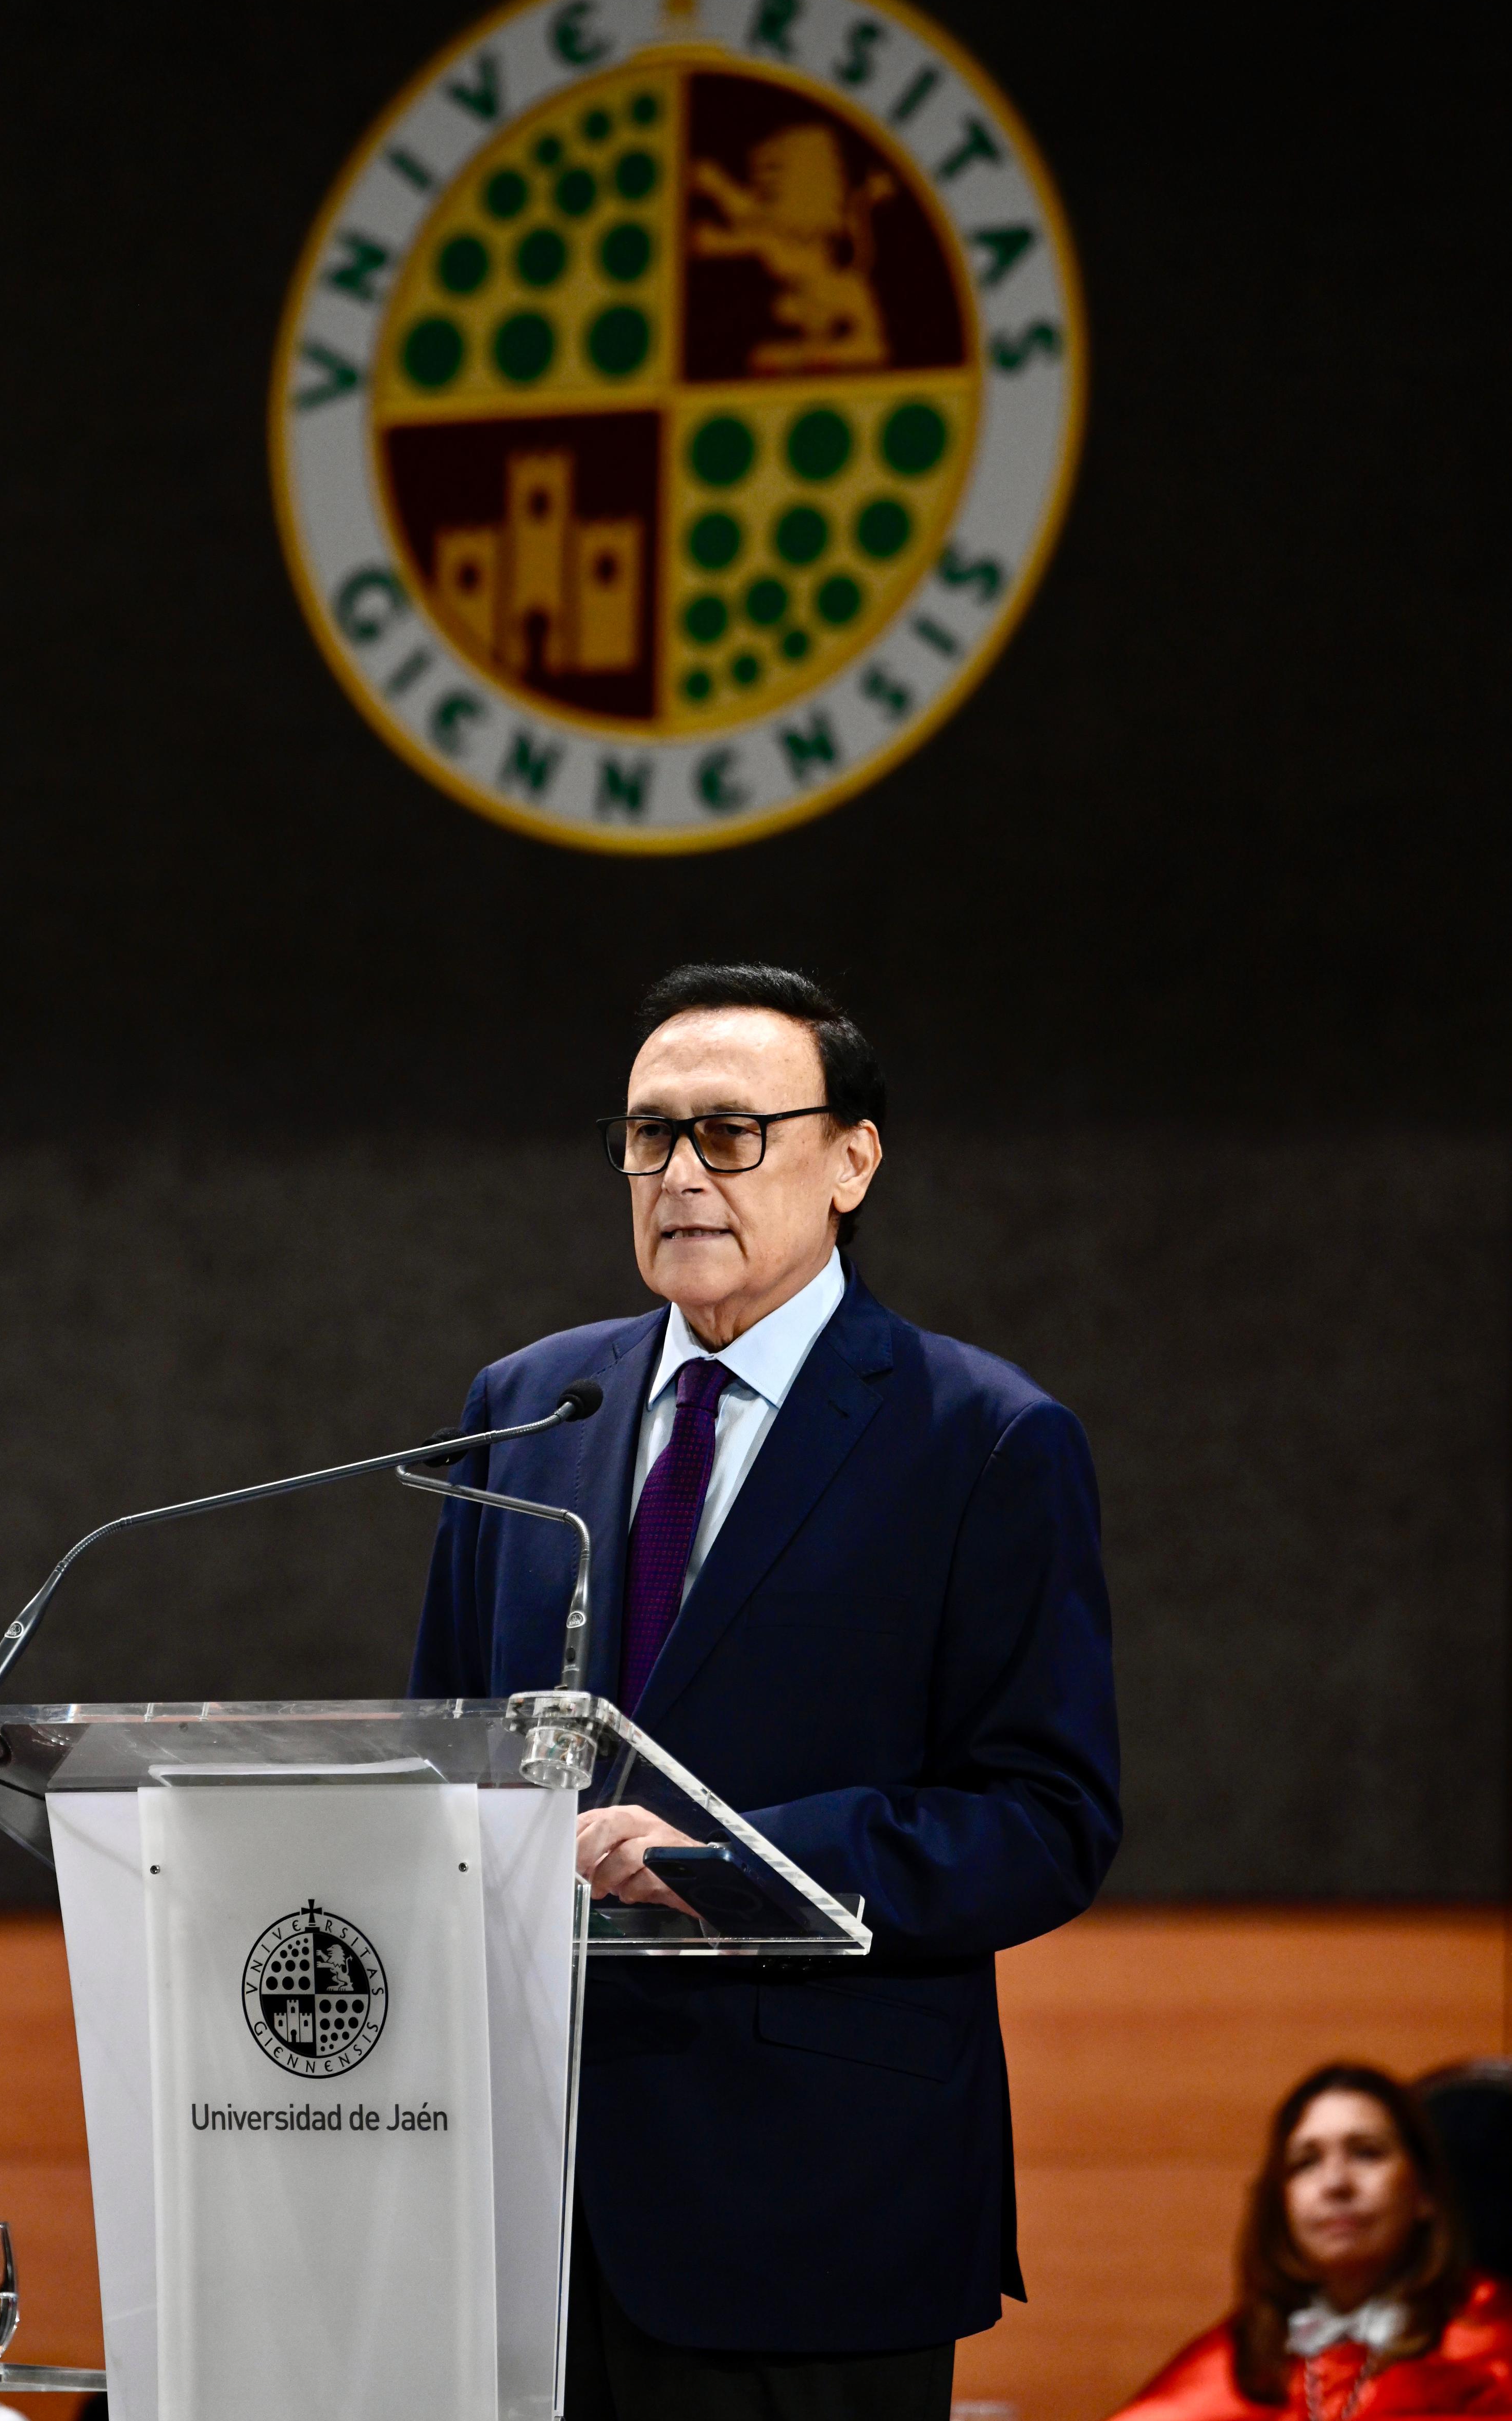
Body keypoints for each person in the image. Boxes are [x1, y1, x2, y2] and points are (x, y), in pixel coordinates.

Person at [410, 961, 1121, 2420]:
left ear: (850, 1159)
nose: (677, 1174)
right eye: (646, 1134)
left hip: (809, 2206)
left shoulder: (980, 1440)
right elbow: (442, 1749)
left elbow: (1043, 1820)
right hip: (518, 2199)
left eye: (728, 1134)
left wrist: (727, 1867)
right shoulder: (531, 1409)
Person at [1111, 2062, 1512, 2415]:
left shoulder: (1491, 2346)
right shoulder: (1236, 2362)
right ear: (1282, 2203)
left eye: (1367, 2153)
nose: (1335, 2183)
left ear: (1425, 2193)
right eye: (1306, 2162)